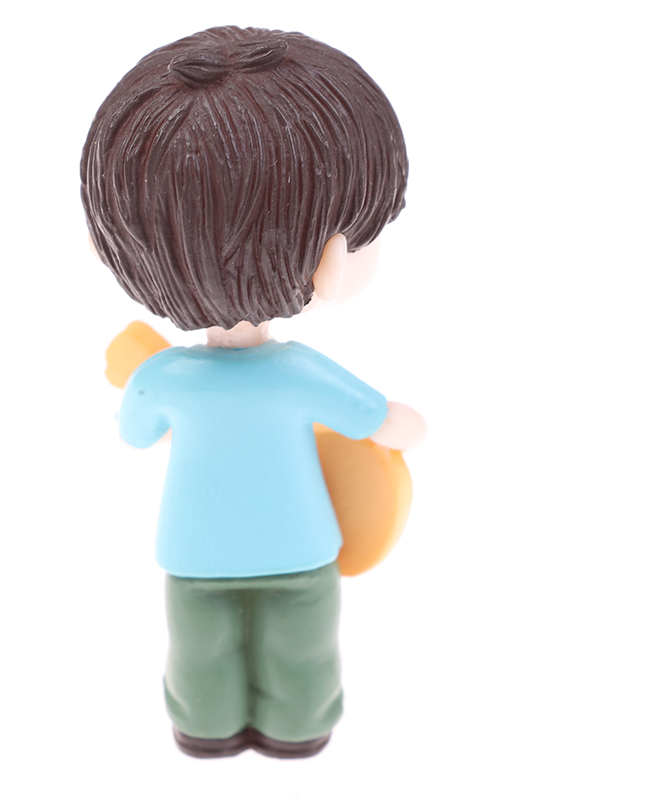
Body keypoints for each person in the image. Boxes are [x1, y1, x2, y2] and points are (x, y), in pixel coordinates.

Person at [80, 25, 425, 759]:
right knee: (303, 650)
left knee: (198, 651)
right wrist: (406, 426)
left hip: (194, 552)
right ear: (331, 261)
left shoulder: (163, 378)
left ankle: (203, 726)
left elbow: (135, 433)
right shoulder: (299, 372)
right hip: (299, 546)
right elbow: (383, 422)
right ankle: (298, 726)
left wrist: (151, 389)